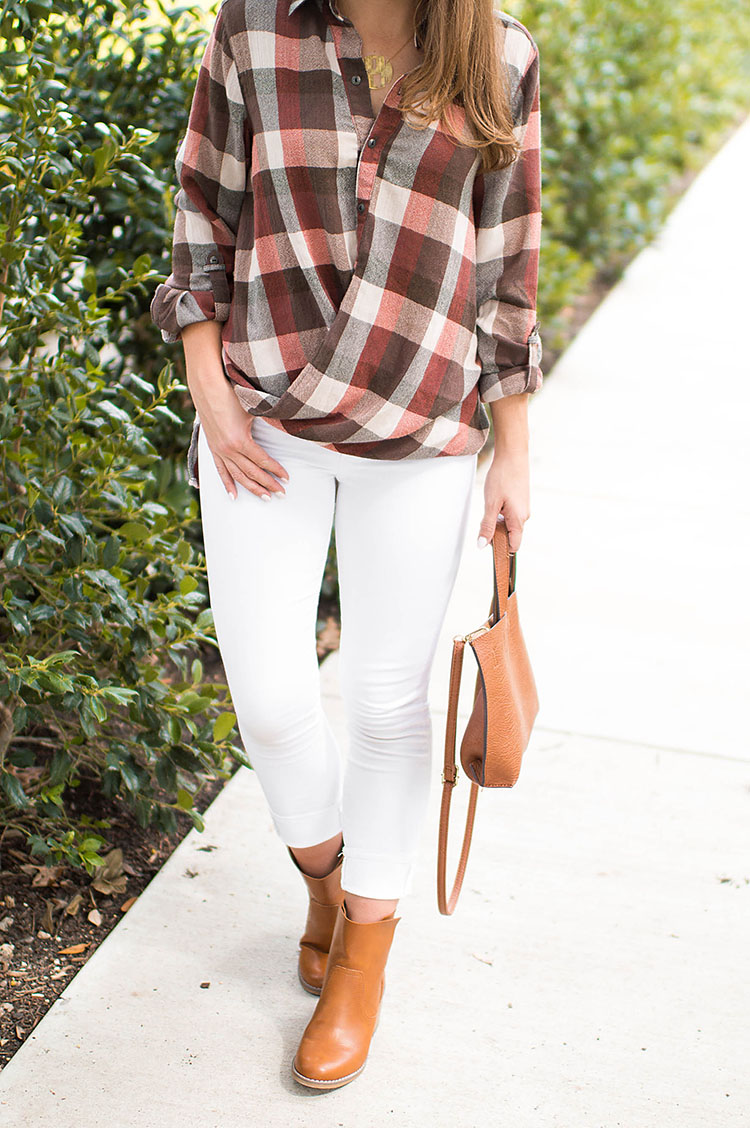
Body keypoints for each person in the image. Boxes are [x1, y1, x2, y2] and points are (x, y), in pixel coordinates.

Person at [150, 0, 542, 1091]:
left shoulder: (499, 52)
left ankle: (365, 942)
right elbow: (202, 207)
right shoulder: (254, 25)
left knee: (385, 702)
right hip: (263, 416)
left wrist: (514, 454)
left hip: (420, 426)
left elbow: (508, 272)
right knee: (271, 698)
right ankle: (325, 876)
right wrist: (211, 398)